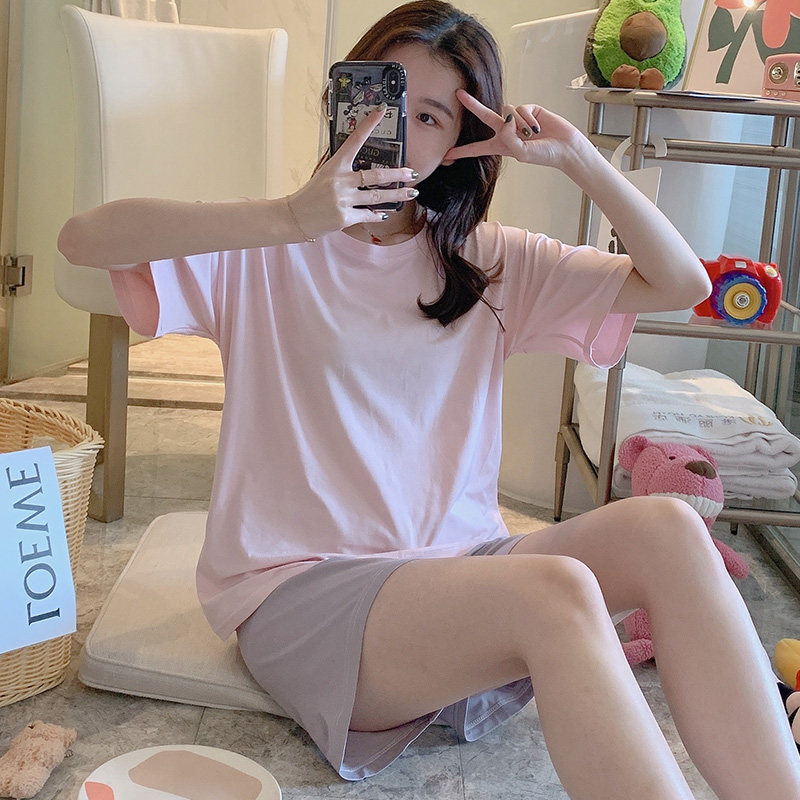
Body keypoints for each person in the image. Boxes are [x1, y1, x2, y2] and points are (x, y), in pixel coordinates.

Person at [57, 1, 800, 797]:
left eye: (430, 116)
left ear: (459, 143)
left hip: (462, 574)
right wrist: (289, 216)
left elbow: (681, 284)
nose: (395, 129)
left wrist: (580, 158)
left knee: (670, 529)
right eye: (382, 98)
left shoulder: (488, 261)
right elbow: (82, 240)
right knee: (557, 593)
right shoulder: (264, 249)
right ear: (342, 97)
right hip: (302, 591)